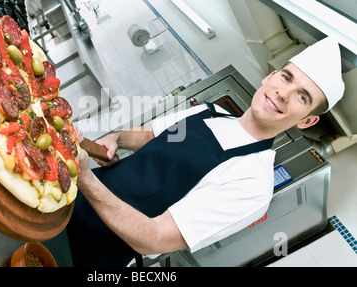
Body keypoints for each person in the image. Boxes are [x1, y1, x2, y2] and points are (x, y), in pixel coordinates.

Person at [66, 37, 345, 267]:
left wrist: (86, 178)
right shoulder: (209, 112)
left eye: (301, 96)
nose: (283, 93)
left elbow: (153, 237)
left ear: (307, 121)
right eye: (286, 77)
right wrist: (117, 138)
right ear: (270, 76)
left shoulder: (252, 184)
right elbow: (153, 135)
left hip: (89, 254)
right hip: (67, 197)